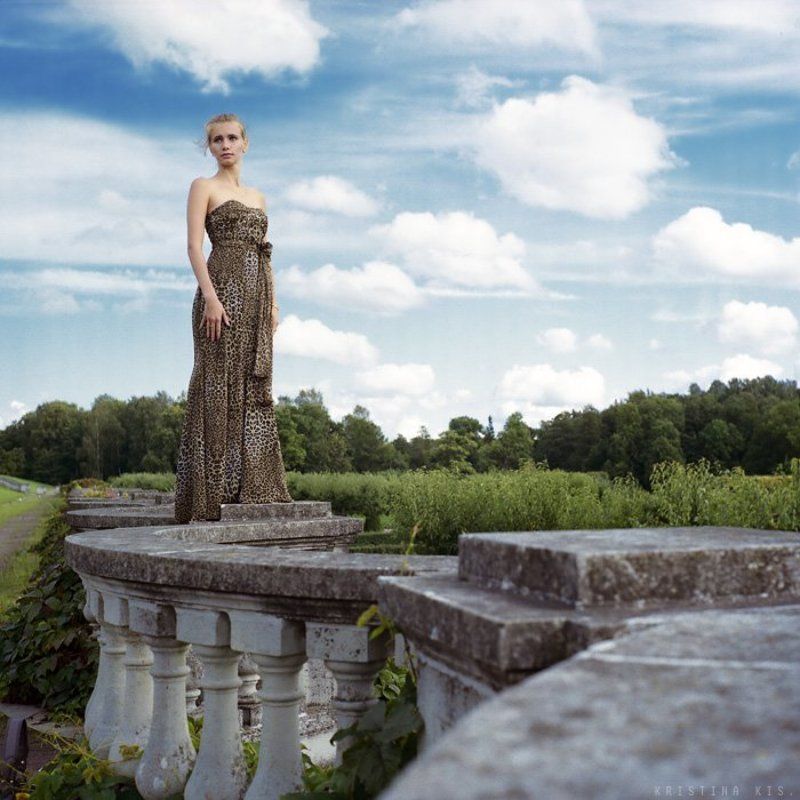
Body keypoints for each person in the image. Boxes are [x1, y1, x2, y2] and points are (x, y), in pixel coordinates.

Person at [174, 113, 292, 523]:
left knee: (252, 388)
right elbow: (193, 247)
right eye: (217, 140)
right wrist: (210, 297)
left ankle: (251, 487)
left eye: (231, 138)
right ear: (210, 147)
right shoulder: (202, 187)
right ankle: (208, 495)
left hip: (257, 301)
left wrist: (273, 305)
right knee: (215, 387)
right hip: (219, 296)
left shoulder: (259, 197)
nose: (224, 145)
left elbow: (266, 253)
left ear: (245, 142)